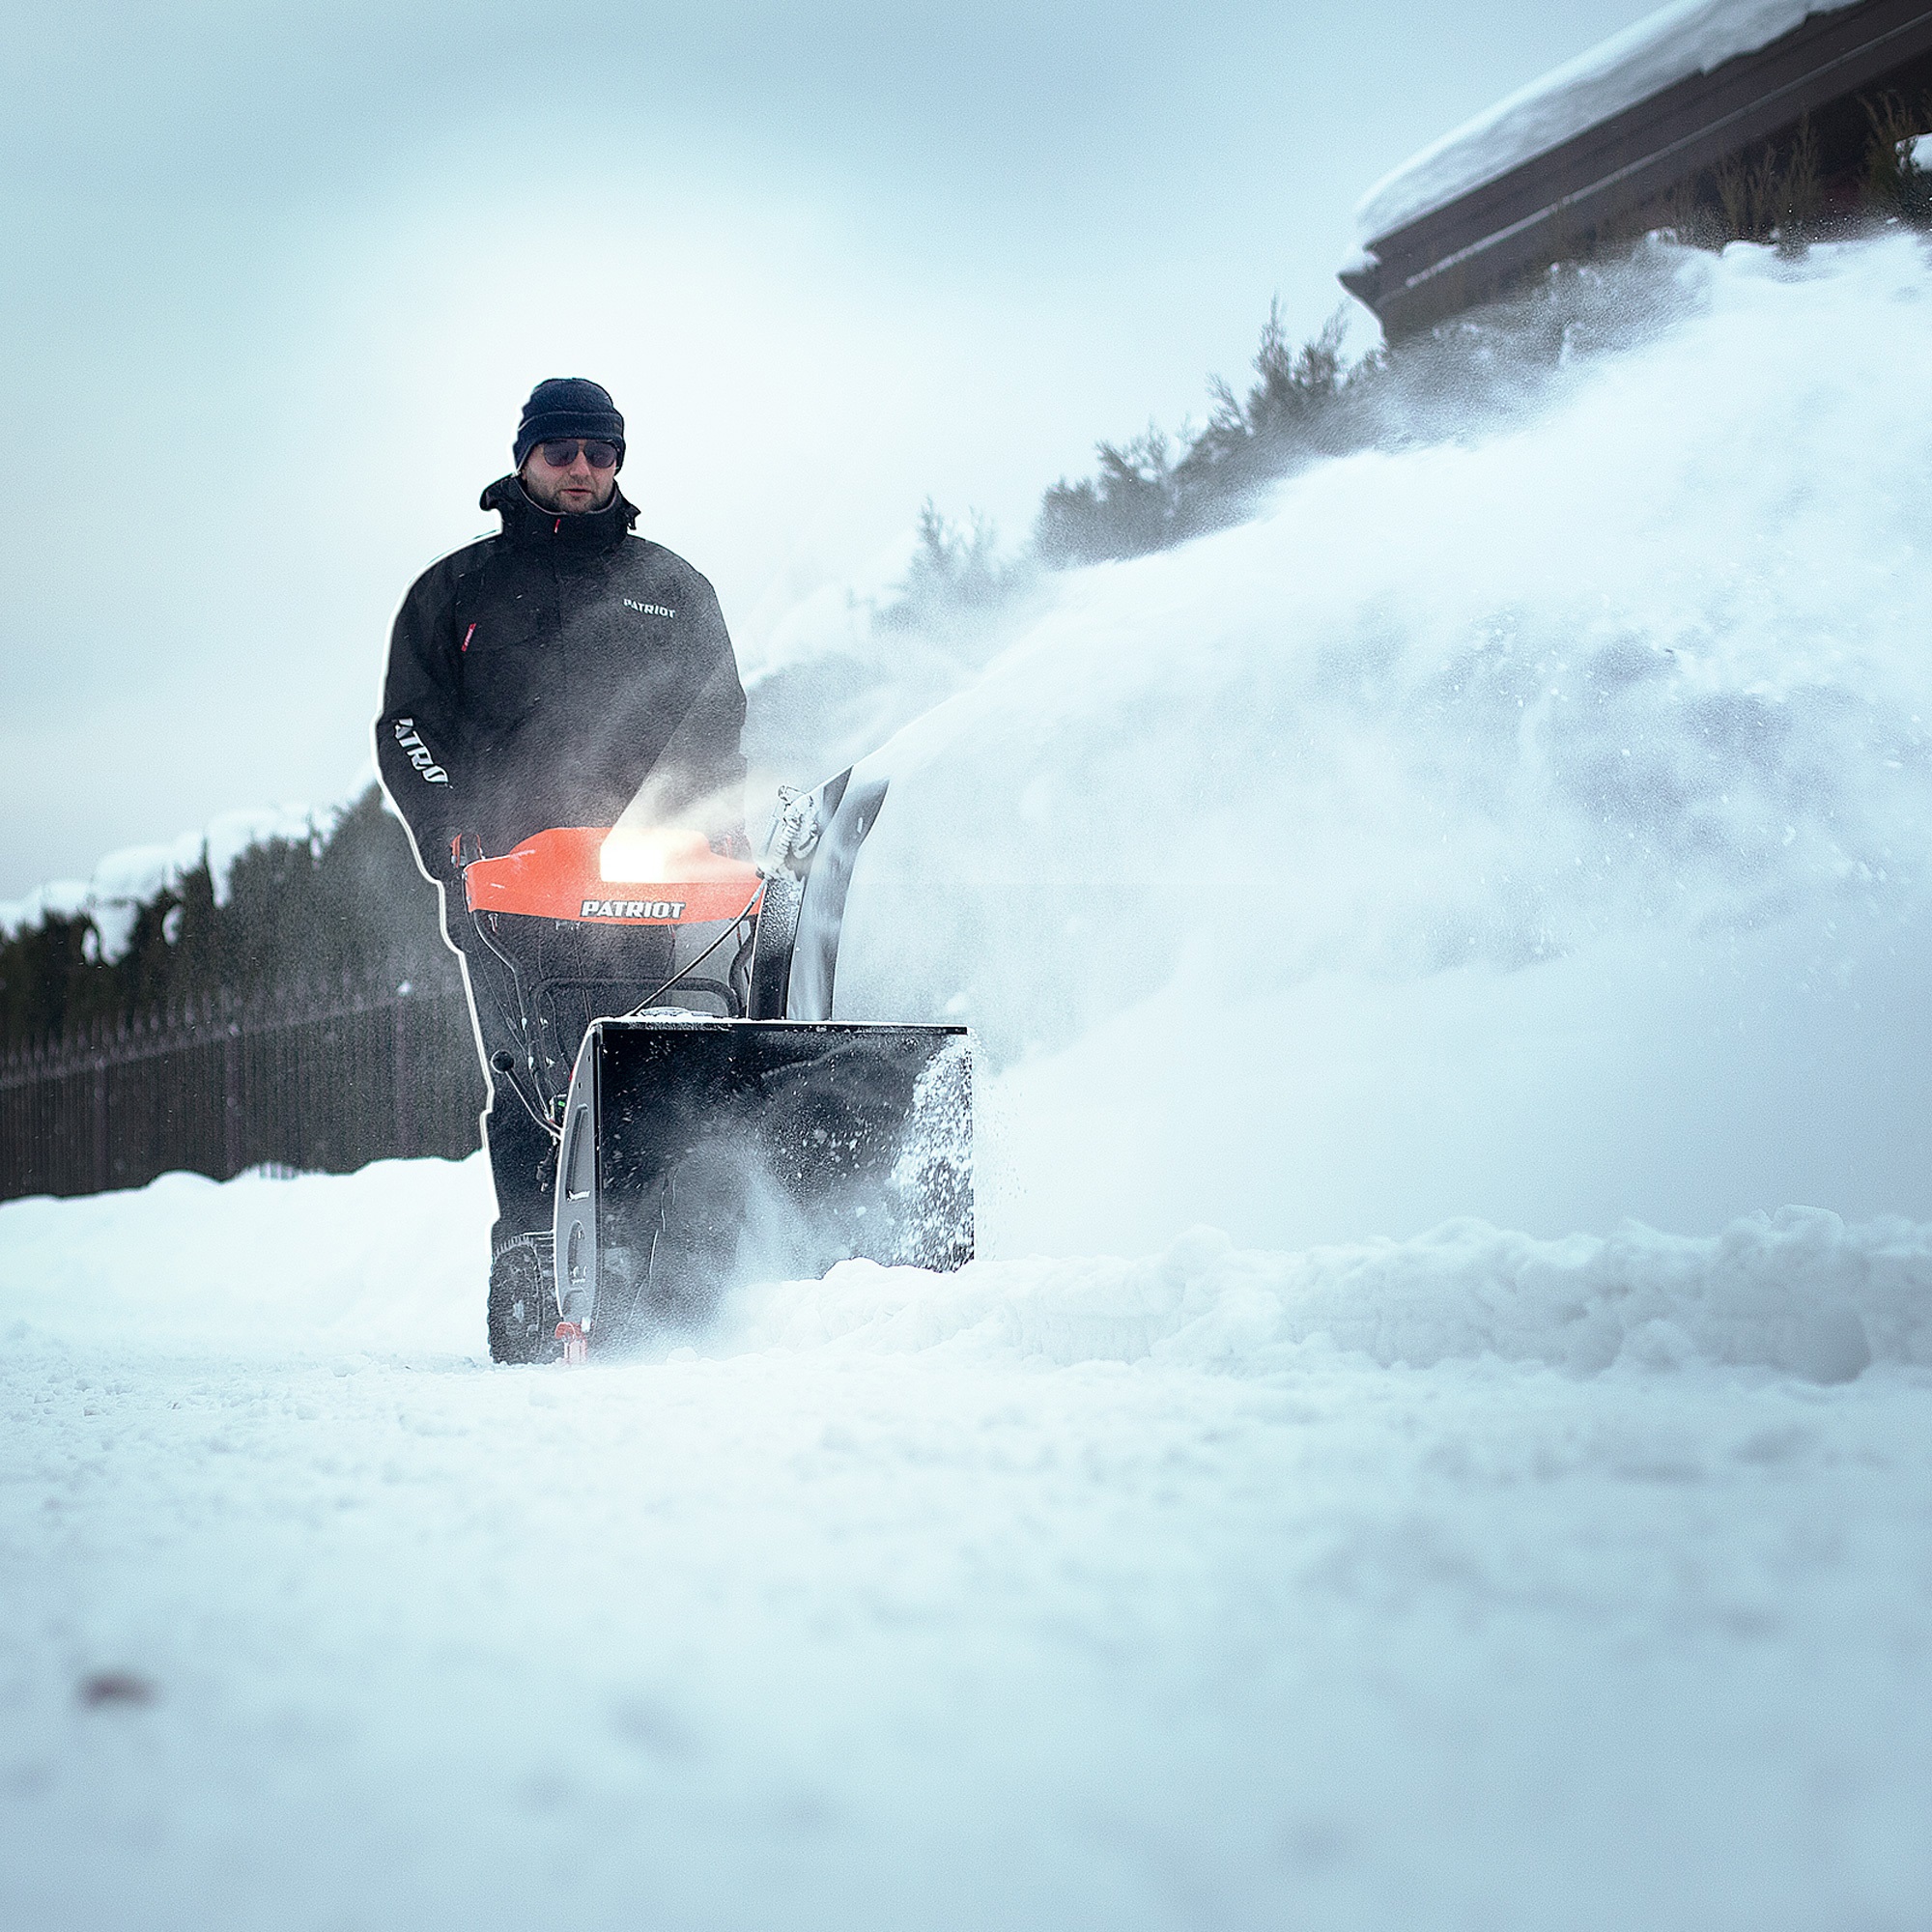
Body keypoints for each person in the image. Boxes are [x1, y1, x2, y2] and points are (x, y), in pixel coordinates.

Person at [375, 376, 748, 1299]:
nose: (582, 470)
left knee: (646, 1051)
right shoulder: (456, 590)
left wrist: (709, 836)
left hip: (643, 874)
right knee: (533, 1067)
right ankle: (538, 1260)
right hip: (506, 875)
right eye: (562, 453)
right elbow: (410, 730)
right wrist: (456, 831)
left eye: (600, 453)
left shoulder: (672, 589)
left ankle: (650, 1261)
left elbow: (716, 725)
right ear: (524, 461)